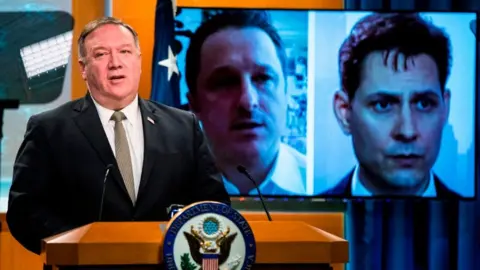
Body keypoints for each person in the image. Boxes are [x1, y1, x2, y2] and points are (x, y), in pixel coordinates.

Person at [6, 17, 230, 255]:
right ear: (83, 68)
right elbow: (25, 211)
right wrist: (78, 247)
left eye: (124, 51)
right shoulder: (49, 129)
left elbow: (213, 205)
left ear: (139, 61)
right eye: (101, 54)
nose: (115, 63)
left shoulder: (184, 126)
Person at [326, 12, 461, 198]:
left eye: (424, 104)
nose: (407, 132)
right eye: (382, 105)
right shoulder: (306, 219)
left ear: (445, 109)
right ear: (344, 112)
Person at [185, 10, 307, 196]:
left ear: (285, 93)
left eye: (263, 78)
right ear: (194, 105)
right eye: (225, 82)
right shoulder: (161, 193)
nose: (249, 102)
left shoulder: (327, 187)